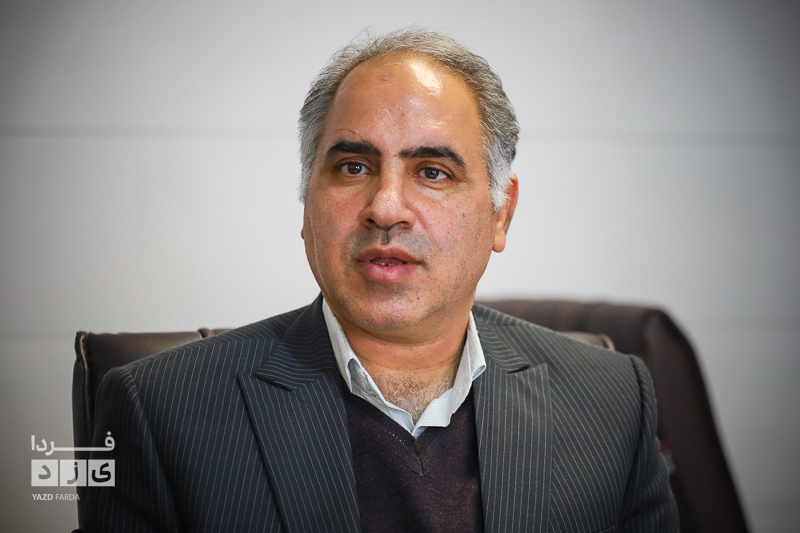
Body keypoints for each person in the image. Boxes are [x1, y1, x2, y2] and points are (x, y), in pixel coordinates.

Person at [83, 28, 678, 532]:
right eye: (353, 167)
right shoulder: (159, 410)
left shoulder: (612, 400)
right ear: (306, 204)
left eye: (433, 171)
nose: (386, 207)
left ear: (501, 213)